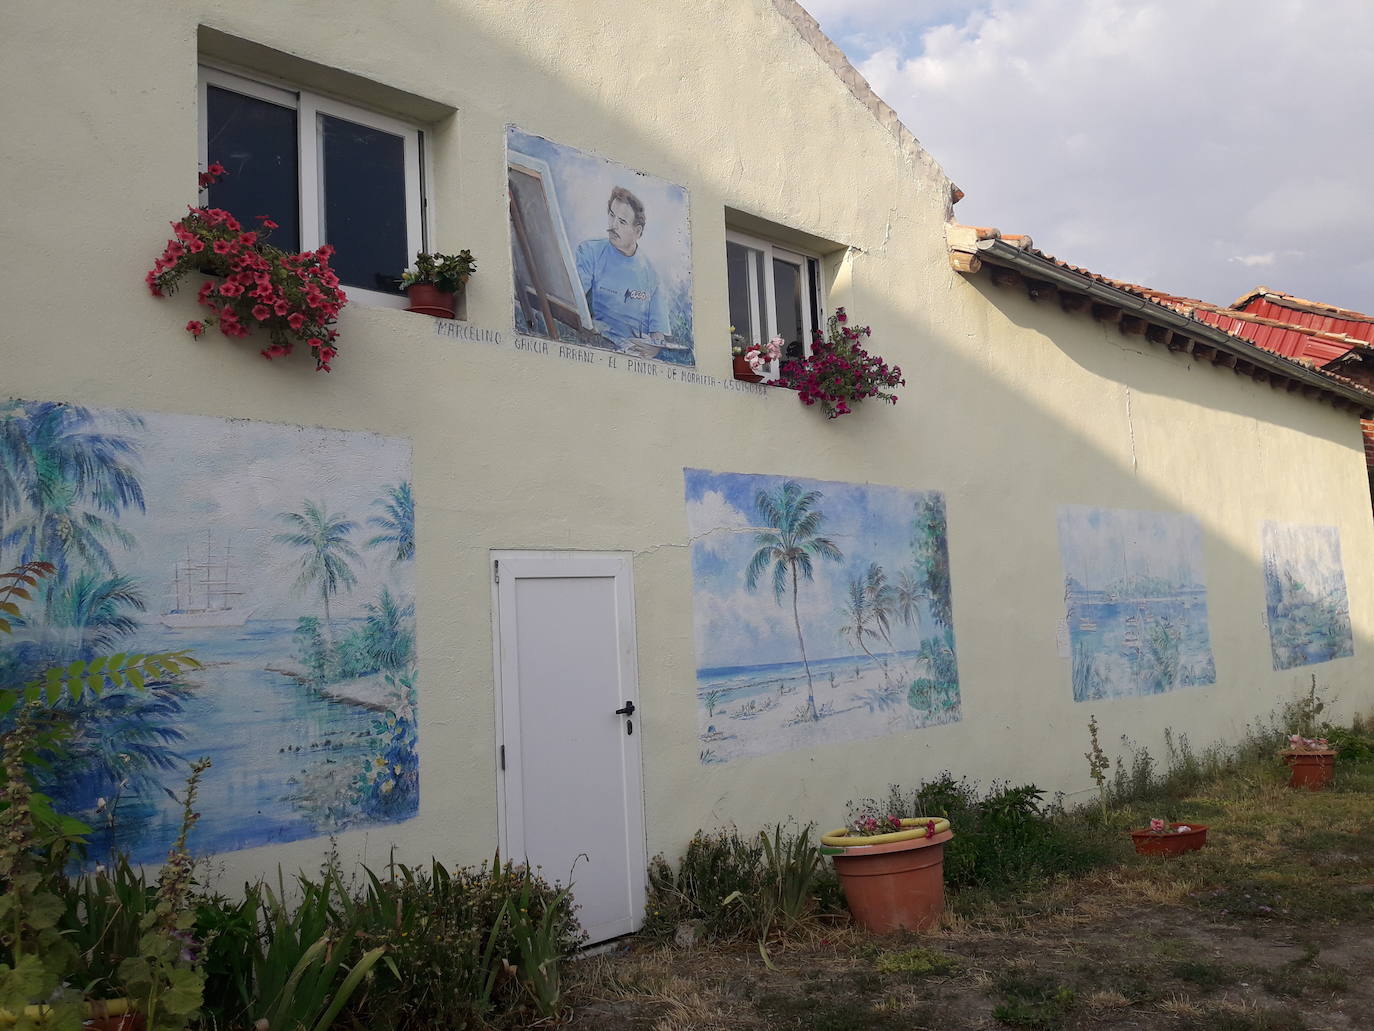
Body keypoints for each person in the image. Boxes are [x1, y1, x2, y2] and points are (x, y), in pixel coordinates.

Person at [575, 186, 669, 350]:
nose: (613, 225)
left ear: (637, 231)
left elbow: (658, 336)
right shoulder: (589, 252)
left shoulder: (651, 275)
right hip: (596, 344)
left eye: (622, 222)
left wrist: (650, 350)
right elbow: (573, 303)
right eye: (612, 215)